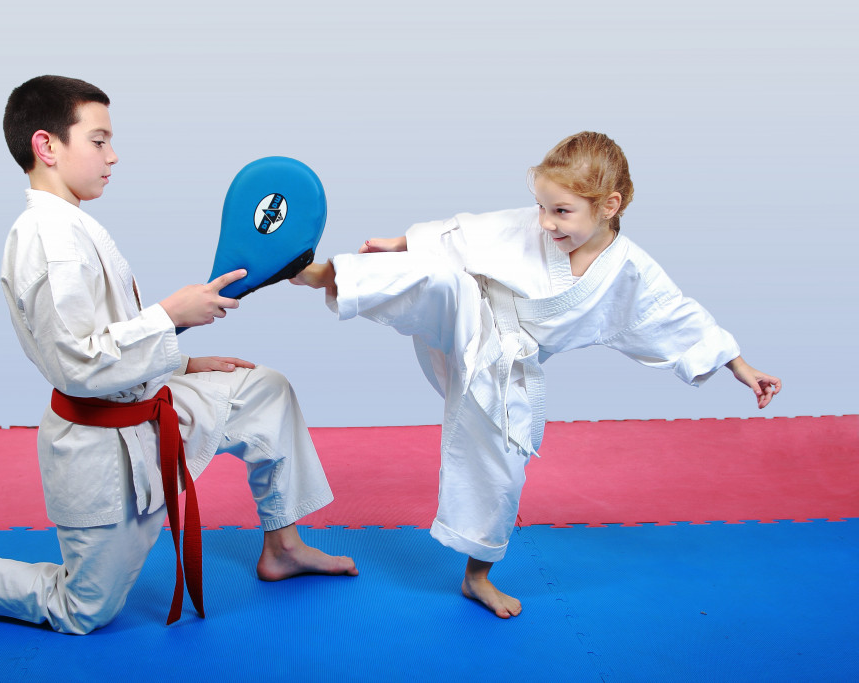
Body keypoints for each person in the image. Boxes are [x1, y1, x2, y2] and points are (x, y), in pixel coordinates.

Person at [0, 75, 357, 634]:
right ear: (47, 146)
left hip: (148, 404)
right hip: (100, 449)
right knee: (83, 608)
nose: (113, 155)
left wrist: (181, 361)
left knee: (262, 390)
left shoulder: (72, 225)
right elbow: (77, 364)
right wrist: (171, 316)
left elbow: (108, 333)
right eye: (98, 141)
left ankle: (283, 547)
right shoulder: (49, 243)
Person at [292, 131, 780, 619]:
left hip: (509, 370)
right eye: (542, 207)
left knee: (504, 474)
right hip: (470, 315)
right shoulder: (532, 226)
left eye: (561, 211)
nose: (545, 222)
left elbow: (675, 315)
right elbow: (466, 233)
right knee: (437, 278)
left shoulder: (631, 271)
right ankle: (321, 273)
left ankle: (476, 578)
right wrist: (404, 243)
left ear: (609, 205)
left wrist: (738, 365)